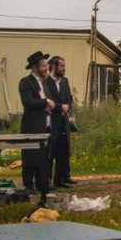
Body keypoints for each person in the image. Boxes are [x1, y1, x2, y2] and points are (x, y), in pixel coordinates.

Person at [17, 50, 53, 193]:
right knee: (30, 156)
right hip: (32, 124)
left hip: (45, 124)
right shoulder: (26, 82)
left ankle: (42, 184)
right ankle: (28, 185)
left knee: (43, 156)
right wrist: (45, 102)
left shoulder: (43, 83)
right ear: (35, 67)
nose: (46, 69)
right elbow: (28, 102)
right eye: (43, 66)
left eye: (46, 65)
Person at [46, 56, 77, 188]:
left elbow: (69, 98)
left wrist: (69, 111)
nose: (64, 69)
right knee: (50, 151)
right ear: (53, 66)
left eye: (64, 66)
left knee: (63, 149)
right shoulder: (46, 82)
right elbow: (48, 100)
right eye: (61, 66)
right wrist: (60, 107)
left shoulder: (64, 81)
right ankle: (48, 179)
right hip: (51, 120)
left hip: (64, 119)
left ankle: (62, 177)